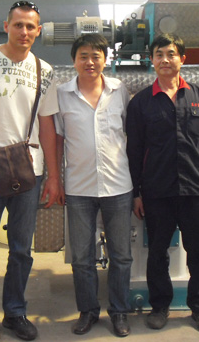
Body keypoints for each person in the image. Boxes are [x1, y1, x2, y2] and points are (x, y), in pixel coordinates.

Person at [0, 0, 64, 342]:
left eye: (30, 26)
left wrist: (53, 176)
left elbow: (47, 125)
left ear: (39, 31)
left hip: (28, 169)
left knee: (21, 248)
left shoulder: (44, 70)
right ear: (6, 26)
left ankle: (15, 312)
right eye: (18, 25)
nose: (24, 31)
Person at [125, 33, 199, 335]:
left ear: (183, 59)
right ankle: (159, 307)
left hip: (196, 188)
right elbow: (134, 151)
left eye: (171, 54)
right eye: (159, 54)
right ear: (151, 60)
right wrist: (136, 193)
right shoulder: (141, 102)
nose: (165, 60)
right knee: (157, 253)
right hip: (157, 191)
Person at [55, 34, 133, 338]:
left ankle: (120, 312)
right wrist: (55, 179)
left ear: (105, 59)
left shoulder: (119, 90)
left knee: (121, 255)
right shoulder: (62, 94)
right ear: (74, 60)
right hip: (79, 188)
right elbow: (58, 140)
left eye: (96, 56)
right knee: (81, 257)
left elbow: (130, 133)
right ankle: (87, 311)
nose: (90, 62)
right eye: (83, 56)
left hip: (118, 185)